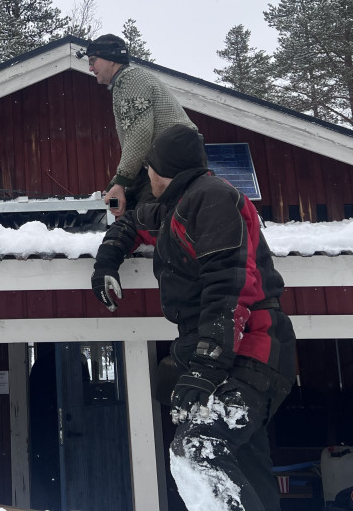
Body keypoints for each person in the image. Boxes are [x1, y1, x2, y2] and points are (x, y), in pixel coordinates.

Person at [90, 124, 295, 511]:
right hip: (224, 350)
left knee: (197, 449)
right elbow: (133, 223)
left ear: (165, 168)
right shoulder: (176, 204)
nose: (145, 175)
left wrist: (205, 367)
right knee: (247, 468)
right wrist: (106, 265)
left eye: (149, 167)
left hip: (253, 346)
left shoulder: (213, 198)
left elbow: (228, 289)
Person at [81, 33, 196, 217]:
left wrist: (120, 182)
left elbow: (139, 134)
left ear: (111, 59)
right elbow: (136, 145)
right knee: (127, 209)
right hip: (163, 160)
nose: (90, 67)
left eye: (93, 60)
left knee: (150, 216)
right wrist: (116, 184)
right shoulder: (123, 83)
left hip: (174, 158)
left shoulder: (130, 79)